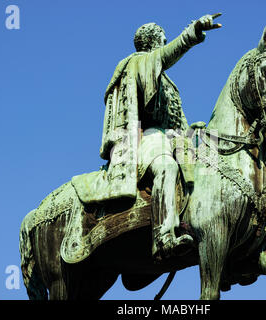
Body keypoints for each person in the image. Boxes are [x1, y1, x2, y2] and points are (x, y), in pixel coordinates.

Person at [75, 13, 222, 262]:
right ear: (153, 43)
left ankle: (218, 234)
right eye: (163, 41)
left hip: (171, 137)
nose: (165, 45)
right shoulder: (139, 62)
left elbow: (175, 121)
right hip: (146, 137)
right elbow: (166, 55)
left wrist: (192, 132)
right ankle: (163, 238)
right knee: (166, 167)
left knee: (211, 158)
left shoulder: (165, 80)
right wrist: (193, 32)